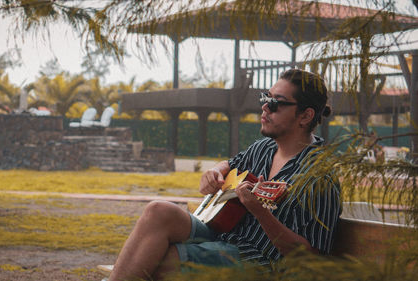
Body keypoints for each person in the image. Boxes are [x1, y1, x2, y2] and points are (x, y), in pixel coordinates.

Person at [109, 69, 342, 281]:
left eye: (276, 103)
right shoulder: (264, 148)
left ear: (305, 116)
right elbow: (231, 164)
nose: (264, 107)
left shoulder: (319, 177)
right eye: (265, 98)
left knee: (163, 259)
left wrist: (259, 211)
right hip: (224, 236)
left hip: (260, 263)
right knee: (158, 210)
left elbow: (310, 259)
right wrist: (215, 171)